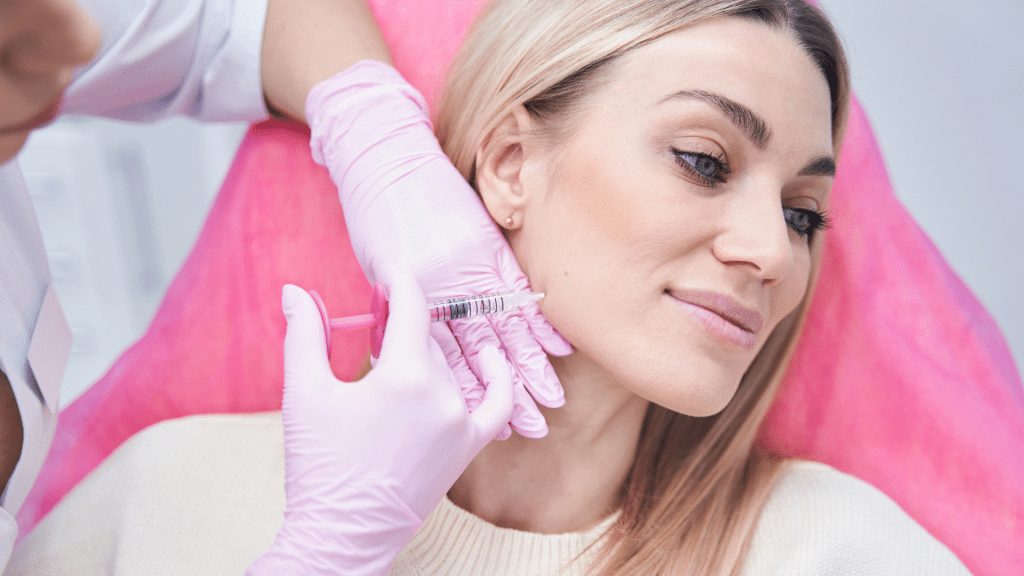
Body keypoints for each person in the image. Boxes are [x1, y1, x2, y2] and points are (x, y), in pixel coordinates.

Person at [6, 0, 974, 574]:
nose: (772, 251)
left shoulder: (840, 556)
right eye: (703, 160)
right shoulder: (167, 506)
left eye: (805, 214)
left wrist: (365, 122)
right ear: (509, 163)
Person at [0, 0, 567, 568]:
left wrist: (375, 131)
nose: (79, 43)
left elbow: (226, 20)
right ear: (509, 161)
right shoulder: (163, 493)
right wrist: (324, 556)